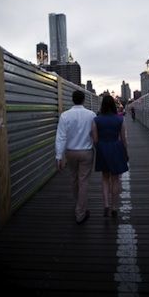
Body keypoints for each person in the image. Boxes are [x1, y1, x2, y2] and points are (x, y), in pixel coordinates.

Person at [55, 90, 96, 224]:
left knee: (74, 179)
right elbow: (94, 135)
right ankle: (80, 212)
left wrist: (58, 156)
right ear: (84, 100)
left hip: (70, 152)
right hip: (86, 151)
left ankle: (79, 204)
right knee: (83, 181)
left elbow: (61, 137)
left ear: (72, 100)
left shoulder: (65, 116)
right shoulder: (91, 115)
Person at [92, 95, 129, 218]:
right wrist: (126, 152)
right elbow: (124, 139)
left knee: (105, 178)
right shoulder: (120, 119)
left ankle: (106, 205)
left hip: (102, 148)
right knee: (115, 179)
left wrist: (100, 148)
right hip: (116, 148)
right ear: (113, 105)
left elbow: (95, 139)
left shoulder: (96, 120)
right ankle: (114, 206)